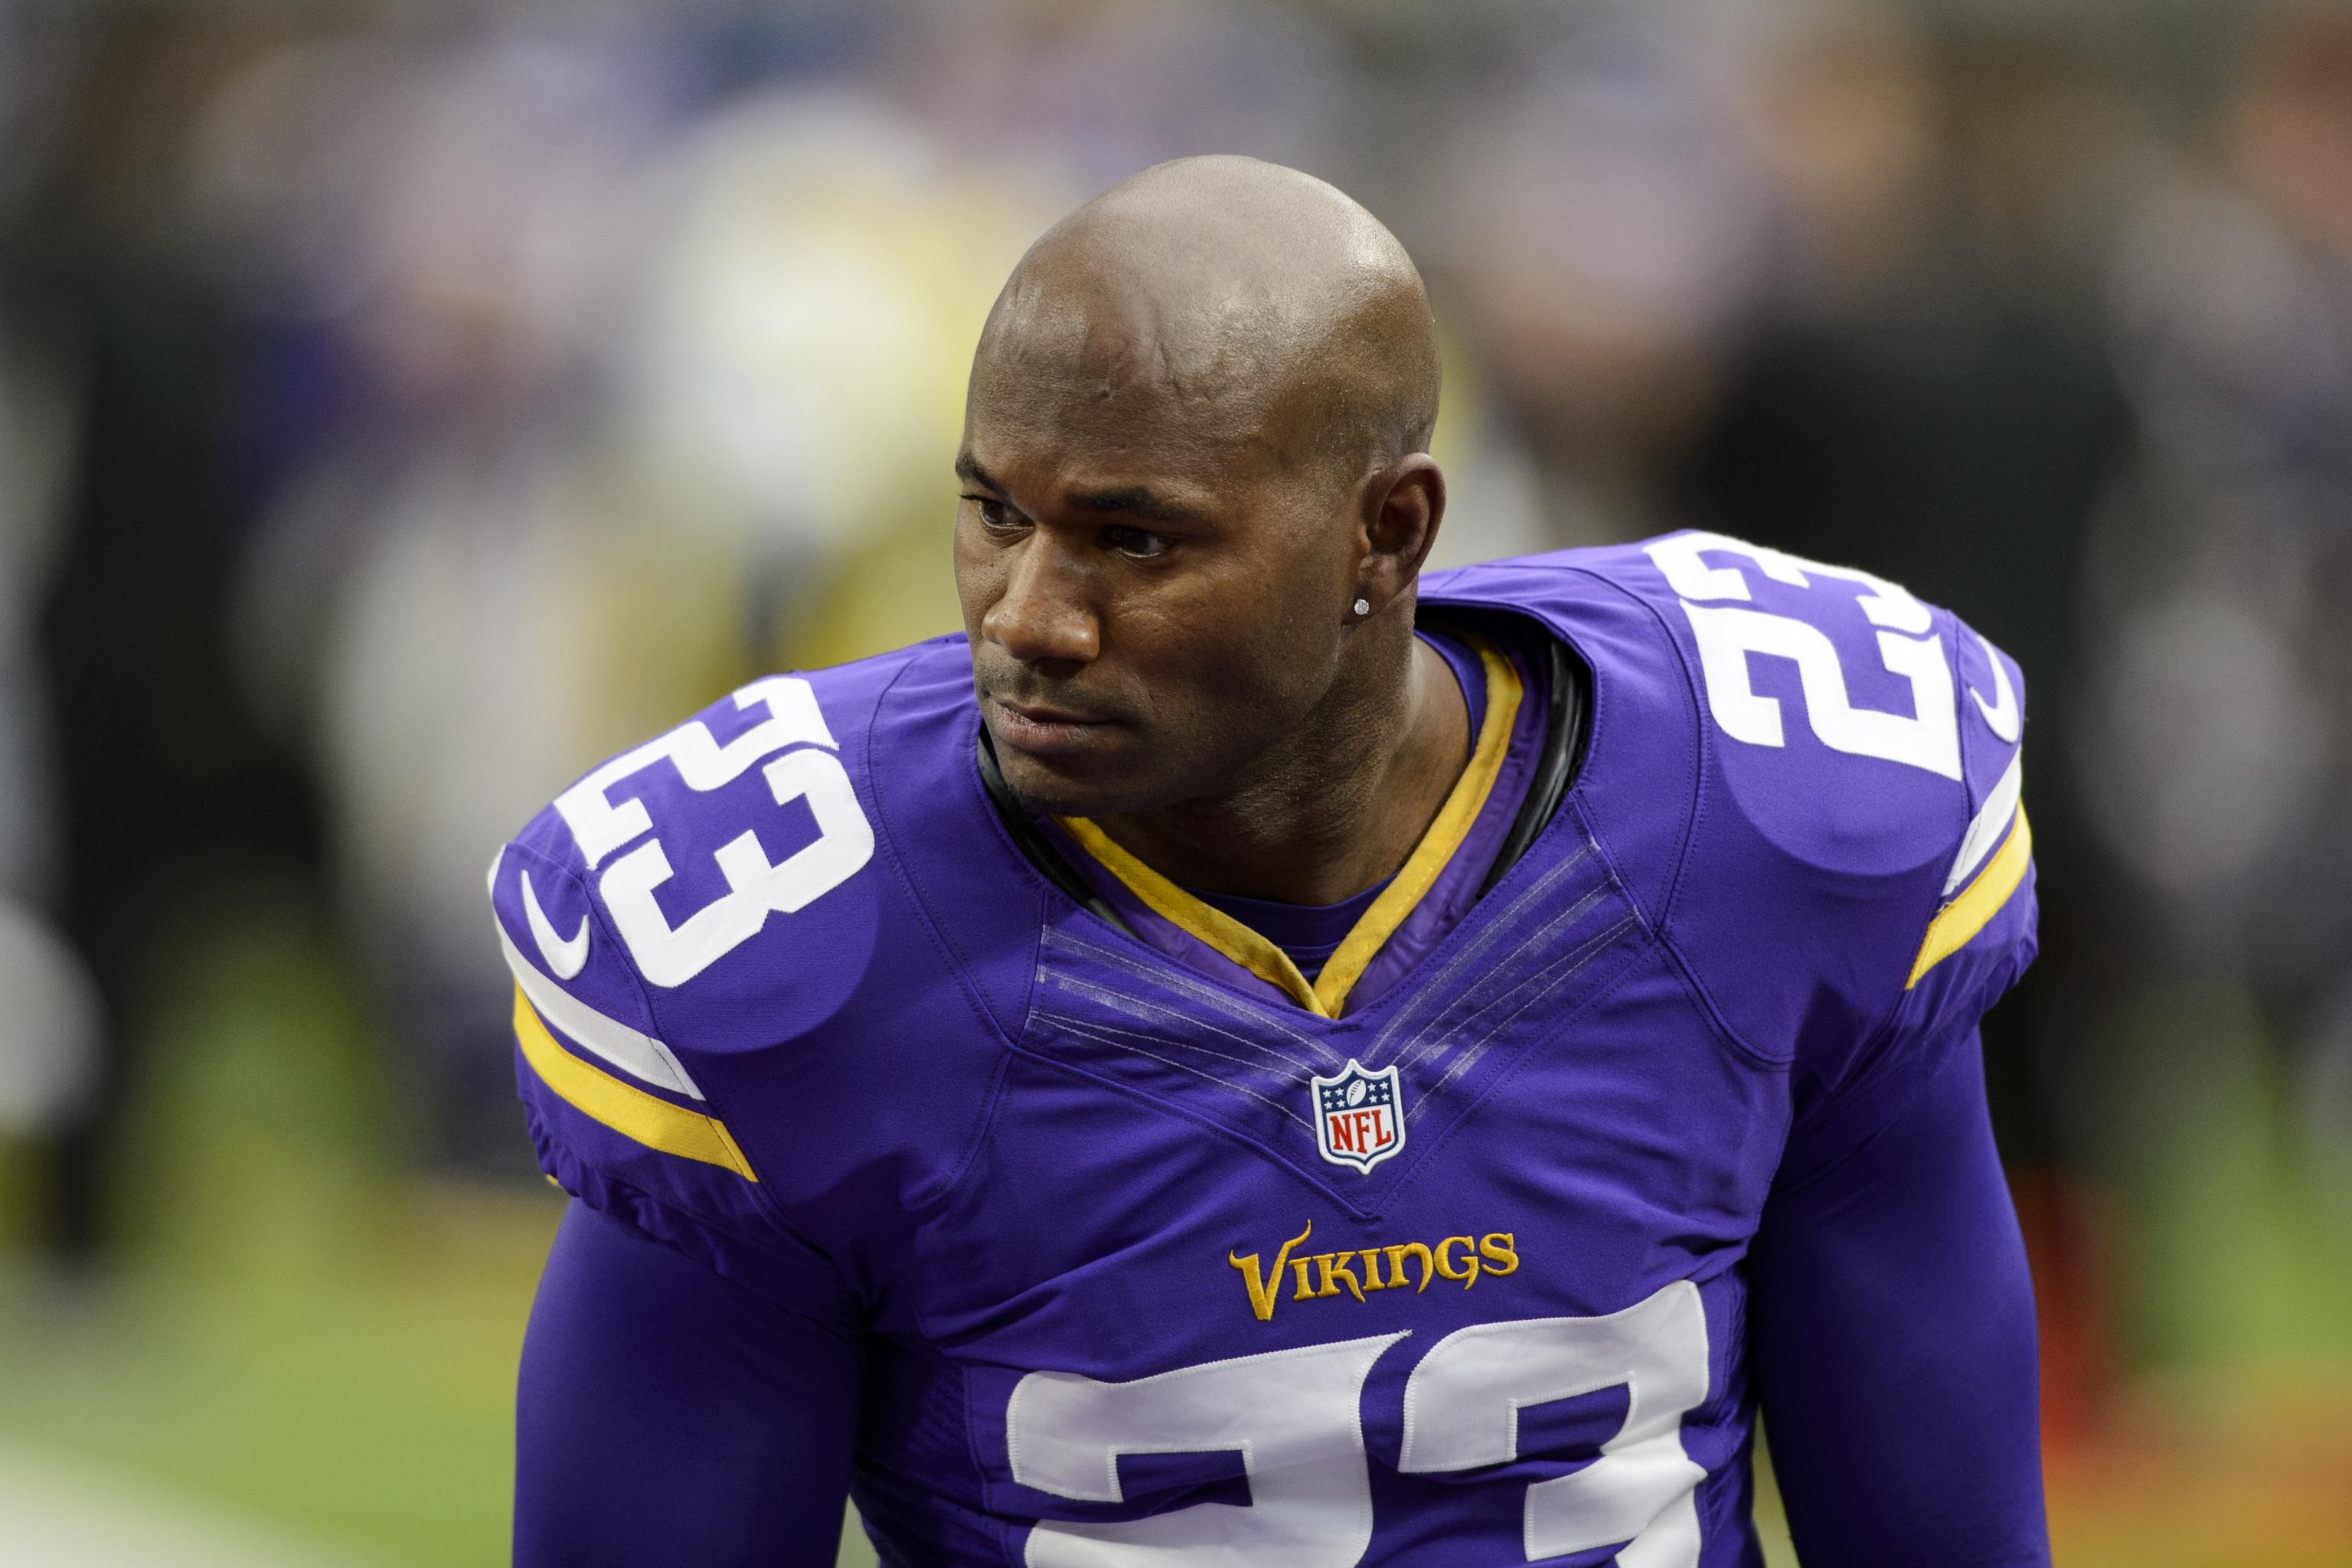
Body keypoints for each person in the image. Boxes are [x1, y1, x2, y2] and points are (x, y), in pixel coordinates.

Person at [495, 157, 2048, 1566]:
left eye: (1136, 538)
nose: (1027, 614)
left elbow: (1942, 1529)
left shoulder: (1768, 816)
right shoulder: (785, 941)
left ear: (1389, 533)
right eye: (992, 511)